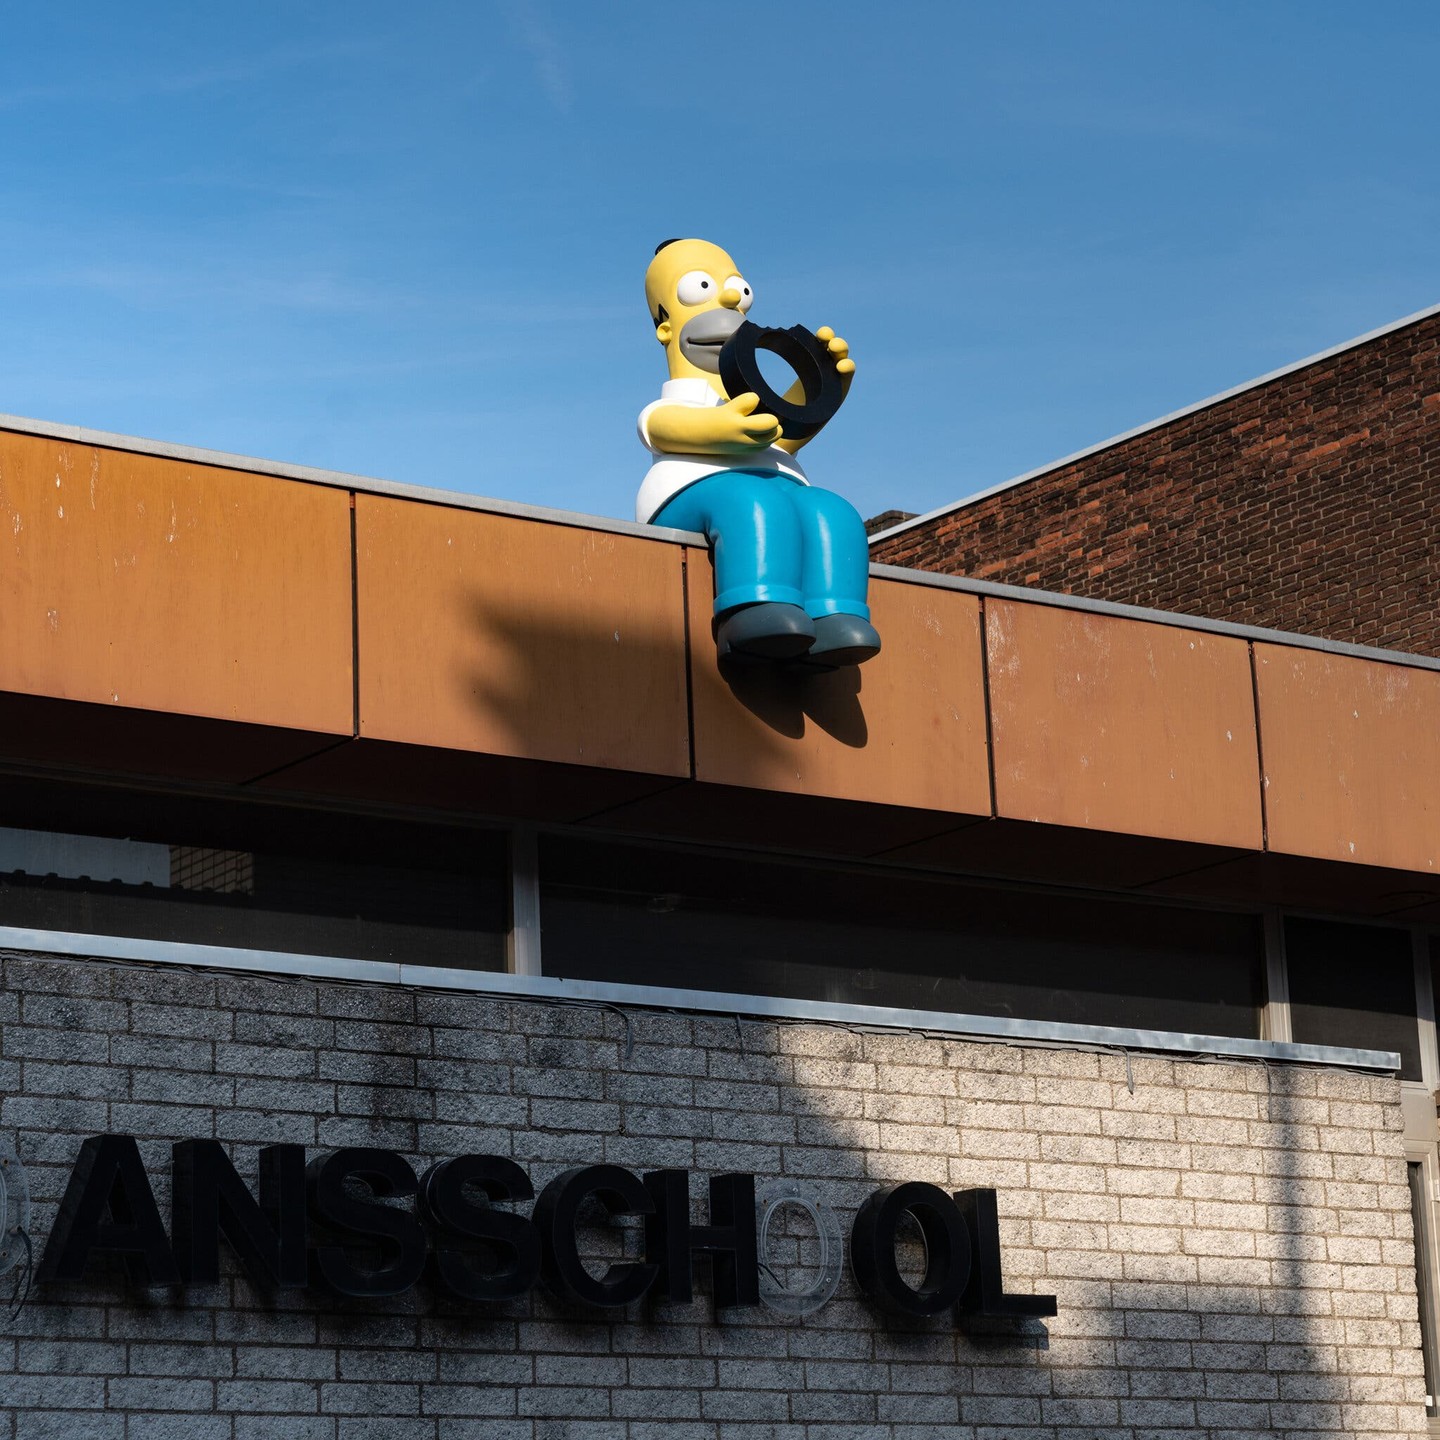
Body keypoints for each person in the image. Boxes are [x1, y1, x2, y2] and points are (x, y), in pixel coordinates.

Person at [638, 238, 881, 667]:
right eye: (701, 288)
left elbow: (779, 438)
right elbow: (666, 428)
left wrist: (819, 392)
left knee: (831, 510)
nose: (731, 299)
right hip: (687, 491)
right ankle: (749, 613)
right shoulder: (672, 404)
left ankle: (834, 616)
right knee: (753, 504)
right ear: (665, 325)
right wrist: (725, 428)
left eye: (738, 290)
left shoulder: (750, 402)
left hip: (779, 484)